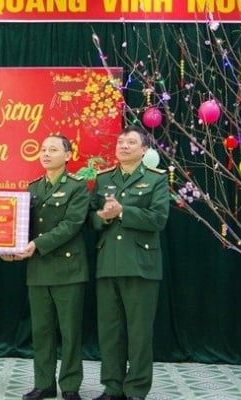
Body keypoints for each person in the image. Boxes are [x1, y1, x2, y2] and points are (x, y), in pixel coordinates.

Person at [1, 135, 89, 400]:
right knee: (41, 331)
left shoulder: (77, 187)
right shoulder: (33, 188)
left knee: (70, 332)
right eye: (43, 149)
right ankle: (44, 384)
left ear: (68, 155)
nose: (46, 154)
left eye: (53, 149)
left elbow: (72, 225)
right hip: (38, 270)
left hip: (68, 270)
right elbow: (21, 228)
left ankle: (70, 386)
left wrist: (35, 244)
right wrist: (11, 248)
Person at [90, 126, 169, 400]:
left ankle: (136, 389)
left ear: (144, 149)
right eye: (121, 141)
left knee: (139, 333)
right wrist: (106, 216)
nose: (123, 145)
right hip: (108, 263)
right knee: (110, 332)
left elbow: (159, 218)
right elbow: (93, 219)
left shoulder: (156, 179)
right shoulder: (103, 179)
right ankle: (112, 387)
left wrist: (123, 211)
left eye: (131, 142)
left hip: (140, 265)